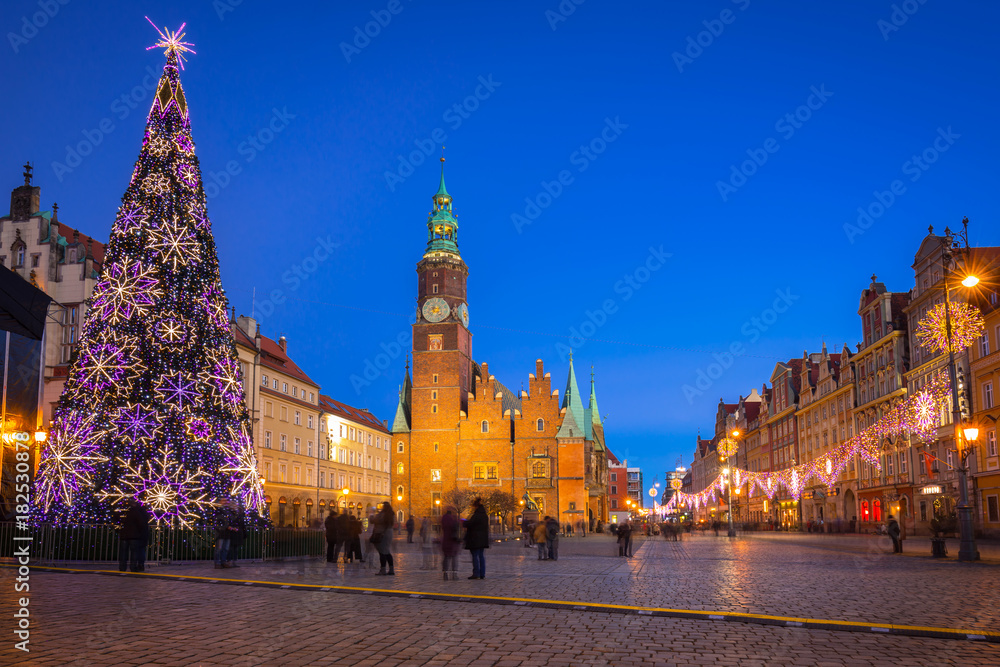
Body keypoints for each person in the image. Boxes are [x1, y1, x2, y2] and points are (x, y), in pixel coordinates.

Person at [119, 498, 150, 572]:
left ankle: (122, 567)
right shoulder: (138, 513)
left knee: (124, 552)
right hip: (134, 536)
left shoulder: (125, 513)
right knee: (135, 552)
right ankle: (133, 567)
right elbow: (141, 524)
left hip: (125, 535)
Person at [463, 497, 490, 579]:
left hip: (475, 539)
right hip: (483, 539)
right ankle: (482, 573)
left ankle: (476, 573)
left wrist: (464, 522)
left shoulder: (477, 515)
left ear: (476, 506)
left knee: (475, 555)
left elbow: (470, 524)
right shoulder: (484, 515)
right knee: (481, 556)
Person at [214, 499, 238, 569]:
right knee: (219, 549)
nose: (225, 502)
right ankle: (217, 563)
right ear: (220, 502)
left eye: (226, 501)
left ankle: (223, 562)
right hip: (220, 533)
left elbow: (232, 520)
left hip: (227, 533)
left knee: (225, 549)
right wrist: (226, 526)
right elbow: (217, 522)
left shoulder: (228, 511)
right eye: (223, 501)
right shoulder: (217, 510)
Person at [375, 502, 396, 575]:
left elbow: (375, 520)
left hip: (382, 533)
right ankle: (391, 569)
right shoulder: (392, 514)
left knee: (382, 552)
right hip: (389, 533)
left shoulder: (383, 514)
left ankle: (383, 569)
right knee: (387, 551)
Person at [441, 507, 461, 579]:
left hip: (446, 540)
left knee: (446, 557)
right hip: (453, 540)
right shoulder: (453, 519)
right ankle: (454, 574)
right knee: (454, 557)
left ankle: (445, 573)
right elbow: (456, 528)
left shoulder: (443, 518)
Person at [227, 501, 246, 567]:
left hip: (238, 533)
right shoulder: (229, 514)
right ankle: (229, 561)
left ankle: (234, 562)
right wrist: (233, 528)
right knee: (230, 548)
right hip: (232, 533)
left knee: (235, 549)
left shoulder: (239, 514)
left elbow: (242, 523)